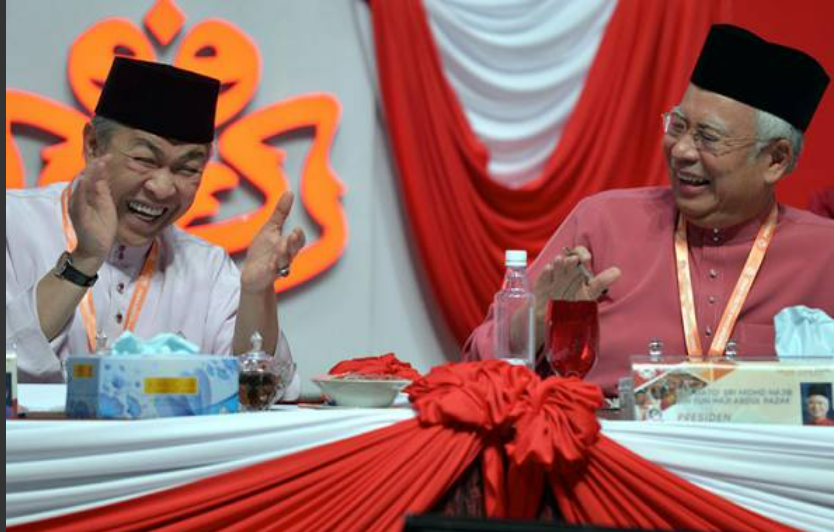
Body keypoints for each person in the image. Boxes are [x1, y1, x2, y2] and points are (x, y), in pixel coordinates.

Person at [463, 24, 833, 396]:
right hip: (607, 447)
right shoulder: (603, 223)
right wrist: (536, 321)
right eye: (678, 126)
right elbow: (475, 371)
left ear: (776, 159)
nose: (682, 151)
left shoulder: (824, 254)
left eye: (708, 138)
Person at [5, 57, 306, 399]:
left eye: (187, 168)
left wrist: (256, 294)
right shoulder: (14, 224)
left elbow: (261, 391)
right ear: (93, 146)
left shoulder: (205, 268)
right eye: (145, 160)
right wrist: (84, 260)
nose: (162, 188)